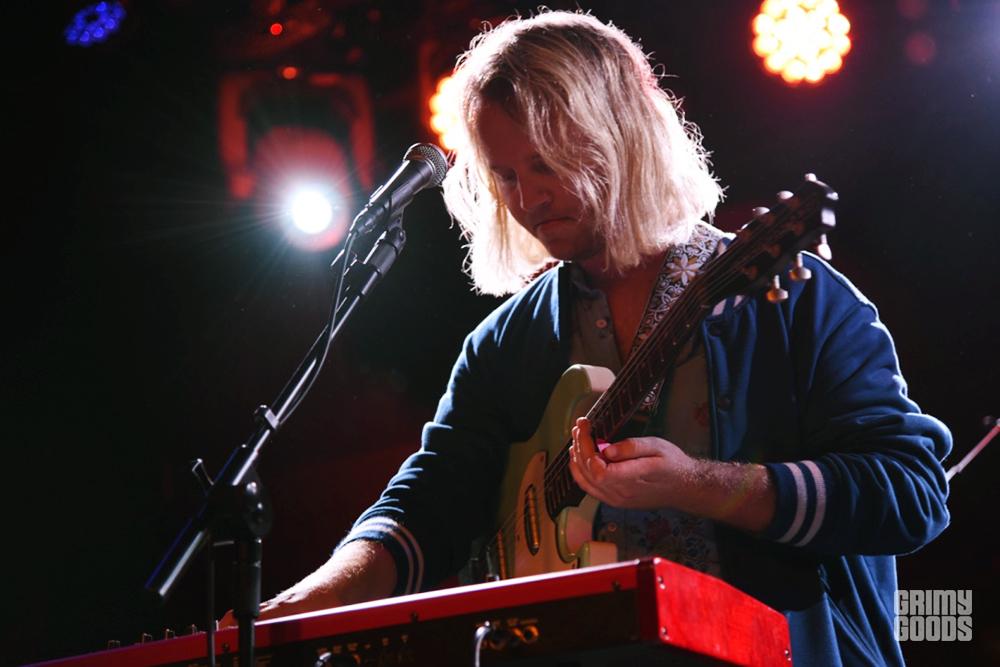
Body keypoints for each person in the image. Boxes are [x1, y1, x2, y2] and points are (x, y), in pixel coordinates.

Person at [234, 10, 951, 665]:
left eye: (546, 162)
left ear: (622, 134)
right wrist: (311, 600)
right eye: (505, 175)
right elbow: (428, 503)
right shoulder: (503, 344)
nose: (526, 198)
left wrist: (701, 485)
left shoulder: (794, 298)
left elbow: (913, 494)